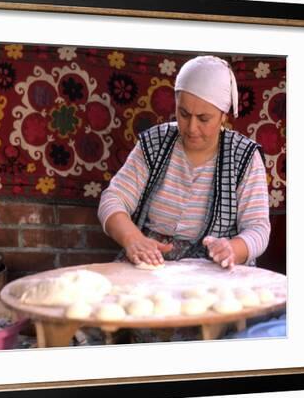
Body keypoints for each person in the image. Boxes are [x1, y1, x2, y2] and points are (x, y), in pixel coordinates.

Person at [98, 55, 270, 270]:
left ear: (223, 116)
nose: (191, 128)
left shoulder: (244, 157)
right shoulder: (155, 143)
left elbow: (258, 228)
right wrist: (133, 238)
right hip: (151, 260)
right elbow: (113, 199)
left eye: (204, 118)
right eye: (184, 113)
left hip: (212, 268)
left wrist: (232, 249)